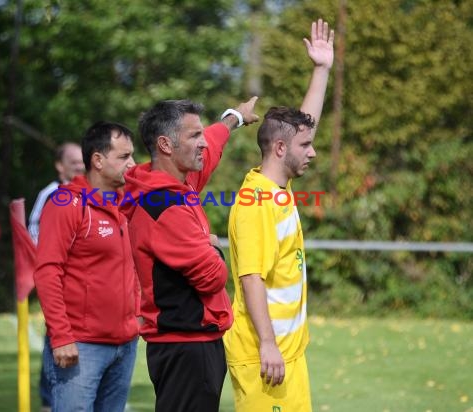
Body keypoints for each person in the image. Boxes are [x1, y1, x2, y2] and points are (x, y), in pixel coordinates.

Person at [222, 19, 334, 412]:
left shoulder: (277, 188)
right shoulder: (254, 201)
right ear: (281, 150)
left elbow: (302, 125)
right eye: (307, 145)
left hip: (289, 353)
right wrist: (268, 343)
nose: (313, 151)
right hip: (263, 357)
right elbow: (251, 276)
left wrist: (321, 70)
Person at [122, 97, 259, 412]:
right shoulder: (165, 205)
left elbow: (211, 144)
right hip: (185, 347)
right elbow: (213, 277)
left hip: (190, 343)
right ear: (166, 145)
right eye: (192, 136)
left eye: (200, 134)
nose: (202, 144)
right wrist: (213, 246)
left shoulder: (176, 183)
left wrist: (233, 117)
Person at [34, 122, 139, 412]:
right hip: (81, 346)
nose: (132, 164)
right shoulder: (65, 203)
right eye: (124, 156)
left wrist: (137, 315)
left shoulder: (128, 204)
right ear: (98, 160)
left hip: (126, 346)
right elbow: (47, 272)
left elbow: (134, 266)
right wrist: (62, 336)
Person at [28, 142, 84, 411]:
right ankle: (50, 402)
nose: (78, 164)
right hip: (60, 284)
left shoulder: (93, 193)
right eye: (72, 161)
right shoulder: (52, 194)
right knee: (57, 339)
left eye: (81, 159)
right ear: (59, 166)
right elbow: (34, 234)